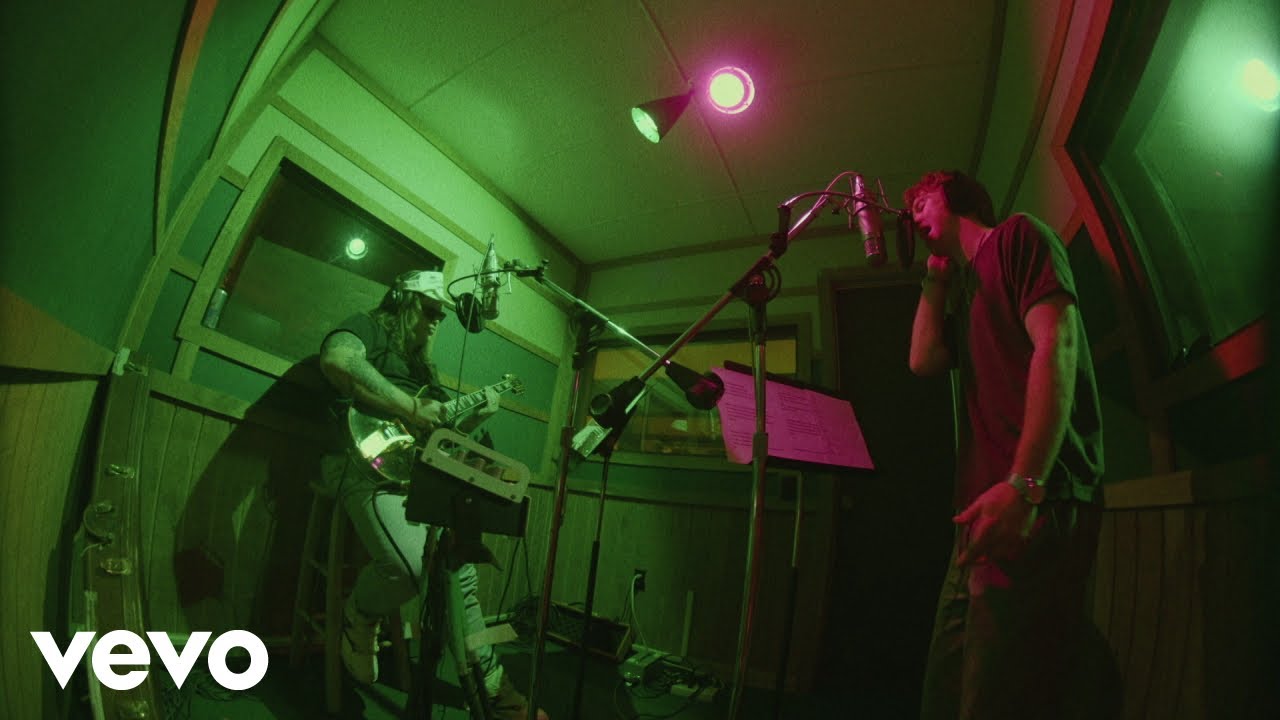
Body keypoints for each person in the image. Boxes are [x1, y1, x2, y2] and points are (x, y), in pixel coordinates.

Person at [904, 171, 1116, 719]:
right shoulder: (966, 290)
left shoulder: (1017, 236)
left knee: (997, 698)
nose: (913, 214)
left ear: (956, 197)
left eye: (923, 201)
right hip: (983, 511)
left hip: (1036, 496)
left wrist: (1025, 485)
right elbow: (923, 360)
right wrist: (935, 281)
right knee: (946, 692)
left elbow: (1058, 342)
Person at [317, 269, 548, 720]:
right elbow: (338, 360)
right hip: (359, 463)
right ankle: (359, 615)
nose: (435, 322)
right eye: (428, 311)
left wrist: (474, 417)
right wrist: (409, 406)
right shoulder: (368, 327)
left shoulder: (426, 370)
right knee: (412, 566)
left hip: (415, 472)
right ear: (401, 303)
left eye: (440, 315)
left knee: (461, 571)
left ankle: (494, 688)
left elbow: (438, 433)